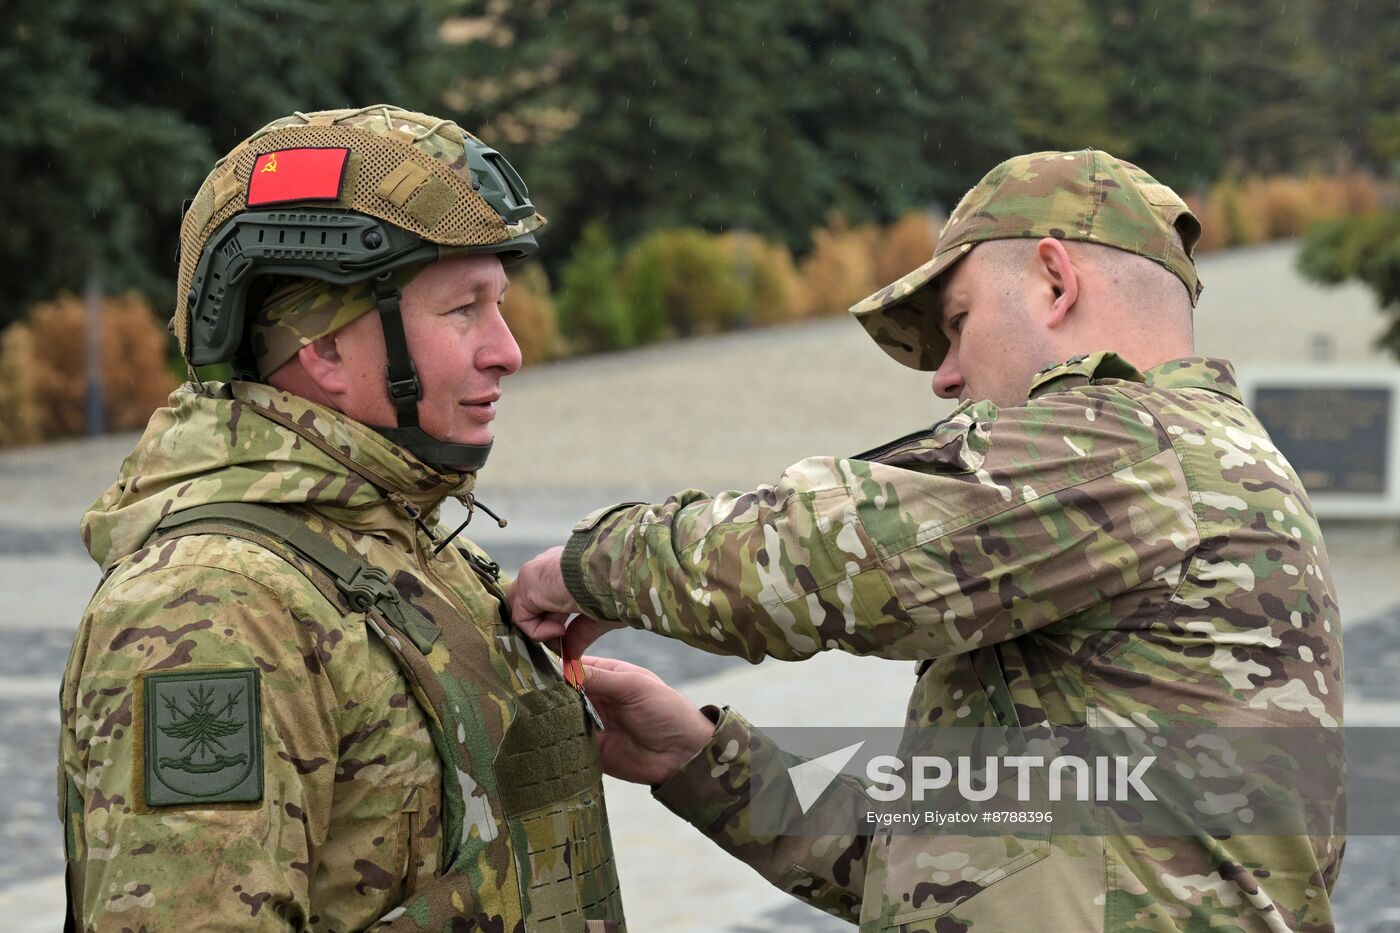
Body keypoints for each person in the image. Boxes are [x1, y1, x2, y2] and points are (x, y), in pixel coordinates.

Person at [508, 149, 1345, 930]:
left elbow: (824, 549)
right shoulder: (1190, 465)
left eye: (958, 321)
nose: (945, 376)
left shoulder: (1127, 445)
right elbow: (940, 861)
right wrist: (704, 759)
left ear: (1055, 282)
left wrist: (589, 565)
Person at [59, 105, 626, 932]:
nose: (507, 349)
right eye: (464, 309)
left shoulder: (399, 541)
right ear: (323, 350)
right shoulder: (212, 607)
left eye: (498, 304)